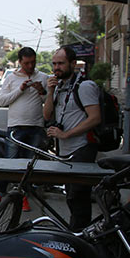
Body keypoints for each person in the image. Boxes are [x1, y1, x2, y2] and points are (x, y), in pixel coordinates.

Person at [43, 45, 102, 231]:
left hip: (82, 148)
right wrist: (50, 92)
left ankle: (79, 239)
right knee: (71, 196)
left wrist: (66, 134)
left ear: (73, 64)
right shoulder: (60, 87)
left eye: (61, 63)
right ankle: (79, 233)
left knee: (77, 197)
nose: (56, 67)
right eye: (54, 64)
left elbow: (95, 118)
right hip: (65, 151)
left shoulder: (85, 86)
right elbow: (46, 116)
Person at [0, 47, 48, 210]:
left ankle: (22, 196)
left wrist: (40, 90)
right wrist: (21, 89)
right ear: (20, 62)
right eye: (27, 63)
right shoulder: (11, 78)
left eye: (33, 62)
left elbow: (49, 100)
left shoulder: (43, 77)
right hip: (15, 127)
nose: (30, 66)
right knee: (10, 162)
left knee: (28, 165)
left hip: (36, 127)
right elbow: (2, 101)